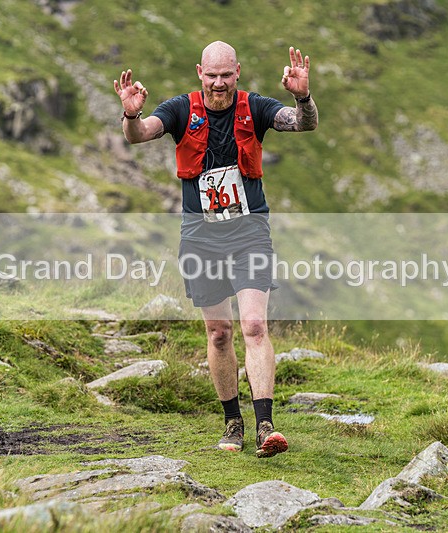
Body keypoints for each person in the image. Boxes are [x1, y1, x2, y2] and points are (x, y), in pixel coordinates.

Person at [114, 41, 318, 458]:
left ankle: (266, 426)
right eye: (212, 75)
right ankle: (232, 421)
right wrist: (131, 114)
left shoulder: (255, 107)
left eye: (226, 74)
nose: (219, 83)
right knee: (219, 332)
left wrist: (303, 97)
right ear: (199, 73)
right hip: (201, 237)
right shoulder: (178, 110)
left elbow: (302, 124)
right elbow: (139, 136)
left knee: (254, 326)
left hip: (249, 233)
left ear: (237, 72)